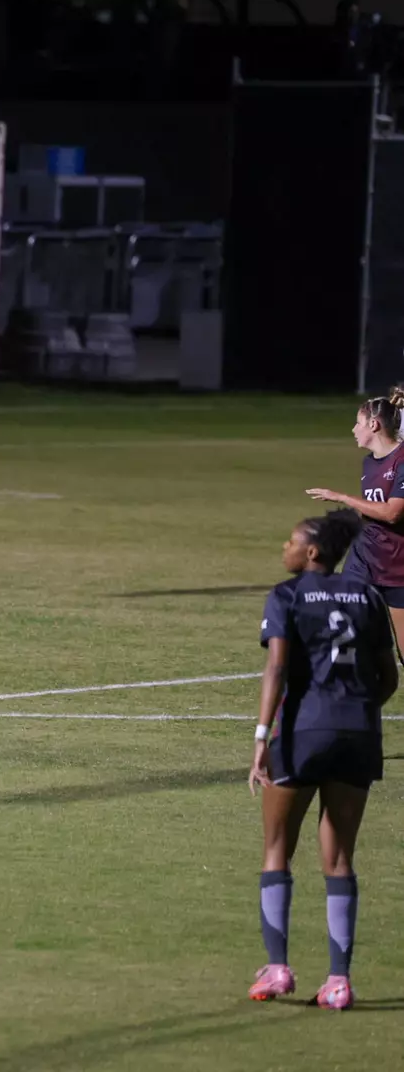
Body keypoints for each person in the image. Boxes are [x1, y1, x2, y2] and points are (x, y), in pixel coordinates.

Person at [247, 508, 395, 1010]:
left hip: (302, 733)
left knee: (276, 851)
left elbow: (277, 669)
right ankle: (338, 981)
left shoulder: (287, 595)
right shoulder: (369, 596)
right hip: (359, 734)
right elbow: (389, 676)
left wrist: (261, 737)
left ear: (312, 553)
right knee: (338, 860)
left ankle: (278, 967)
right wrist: (355, 712)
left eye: (290, 542)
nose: (284, 549)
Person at [306, 386, 404, 648]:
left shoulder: (402, 462)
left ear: (373, 424)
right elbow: (371, 510)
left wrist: (342, 497)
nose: (353, 429)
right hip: (364, 559)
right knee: (343, 631)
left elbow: (392, 514)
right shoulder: (369, 462)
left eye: (357, 423)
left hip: (398, 568)